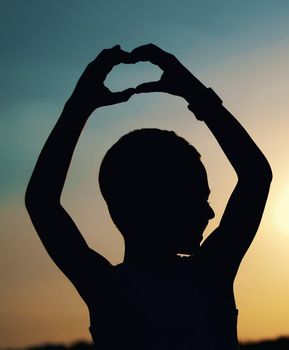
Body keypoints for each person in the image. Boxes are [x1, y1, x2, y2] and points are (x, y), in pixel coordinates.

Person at [25, 44, 272, 349]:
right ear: (157, 205)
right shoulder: (211, 274)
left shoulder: (106, 288)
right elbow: (256, 175)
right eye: (197, 199)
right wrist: (194, 94)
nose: (209, 213)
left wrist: (77, 108)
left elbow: (42, 202)